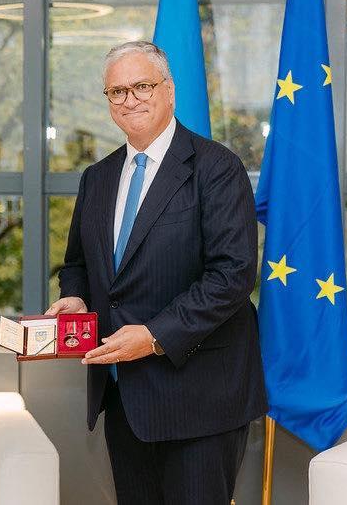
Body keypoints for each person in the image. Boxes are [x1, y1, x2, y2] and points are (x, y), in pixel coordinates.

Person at [47, 41, 267, 504]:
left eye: (142, 86)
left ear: (168, 90)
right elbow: (78, 265)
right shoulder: (97, 177)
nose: (130, 100)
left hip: (201, 400)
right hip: (124, 400)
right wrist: (77, 299)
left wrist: (154, 334)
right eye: (117, 91)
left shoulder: (216, 167)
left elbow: (232, 274)